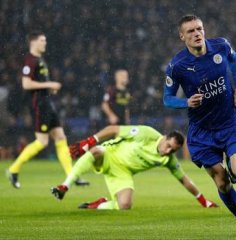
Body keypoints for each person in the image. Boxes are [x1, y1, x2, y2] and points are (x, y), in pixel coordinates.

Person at [163, 15, 236, 236]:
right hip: (202, 132)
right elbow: (167, 98)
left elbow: (234, 59)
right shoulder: (177, 66)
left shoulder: (221, 46)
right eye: (191, 31)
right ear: (182, 36)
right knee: (222, 183)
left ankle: (233, 169)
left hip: (229, 123)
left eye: (199, 29)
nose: (197, 34)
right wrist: (186, 102)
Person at [51, 125, 218, 210]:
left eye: (172, 150)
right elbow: (113, 129)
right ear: (165, 137)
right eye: (168, 146)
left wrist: (204, 201)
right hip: (109, 154)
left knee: (124, 206)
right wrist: (90, 140)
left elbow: (184, 180)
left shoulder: (169, 160)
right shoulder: (145, 133)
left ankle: (98, 205)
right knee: (95, 151)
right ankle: (65, 185)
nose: (168, 151)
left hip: (122, 172)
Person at [6, 31, 88, 188]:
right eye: (42, 40)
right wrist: (49, 85)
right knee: (42, 142)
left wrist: (49, 89)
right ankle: (13, 169)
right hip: (39, 105)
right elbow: (26, 84)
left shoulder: (40, 60)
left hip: (47, 103)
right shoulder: (30, 60)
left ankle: (72, 176)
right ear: (34, 42)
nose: (45, 43)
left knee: (61, 137)